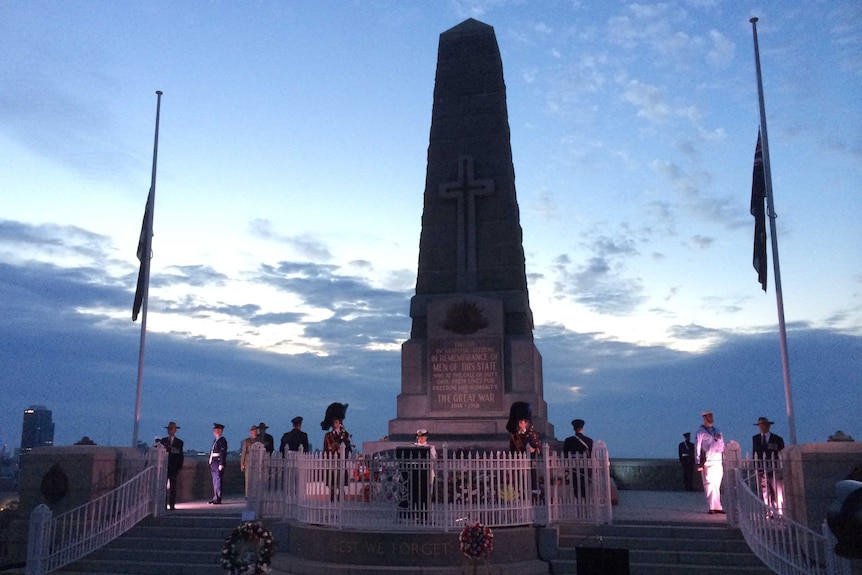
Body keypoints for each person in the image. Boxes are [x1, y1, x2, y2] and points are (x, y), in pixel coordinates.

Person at [506, 402, 541, 500]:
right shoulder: (514, 437)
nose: (521, 424)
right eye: (519, 422)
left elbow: (539, 448)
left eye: (523, 422)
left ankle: (533, 496)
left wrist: (533, 449)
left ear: (526, 423)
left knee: (531, 479)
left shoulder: (532, 435)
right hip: (519, 463)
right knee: (520, 481)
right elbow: (512, 450)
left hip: (530, 462)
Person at [695, 411, 725, 514]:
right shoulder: (700, 431)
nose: (711, 418)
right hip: (708, 459)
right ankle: (711, 506)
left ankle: (718, 506)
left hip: (718, 458)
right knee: (709, 483)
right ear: (704, 418)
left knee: (717, 484)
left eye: (711, 416)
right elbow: (697, 447)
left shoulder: (717, 430)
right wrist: (698, 462)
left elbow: (722, 444)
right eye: (708, 417)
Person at [321, 402, 352, 501]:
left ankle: (340, 495)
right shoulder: (328, 436)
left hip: (340, 461)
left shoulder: (344, 434)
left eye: (337, 422)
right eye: (334, 423)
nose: (335, 425)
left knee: (340, 481)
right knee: (331, 482)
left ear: (340, 423)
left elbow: (349, 448)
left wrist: (343, 437)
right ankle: (332, 495)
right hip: (331, 462)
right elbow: (325, 449)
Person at [752, 416, 785, 510]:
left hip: (774, 469)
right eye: (760, 425)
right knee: (765, 490)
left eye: (763, 425)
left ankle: (779, 509)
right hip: (762, 469)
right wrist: (756, 468)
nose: (761, 427)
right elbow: (754, 453)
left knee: (777, 490)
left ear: (768, 426)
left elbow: (782, 453)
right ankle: (769, 509)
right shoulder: (756, 439)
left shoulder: (777, 439)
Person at [563, 419, 593, 498]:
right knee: (585, 485)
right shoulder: (589, 441)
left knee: (576, 485)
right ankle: (584, 500)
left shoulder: (568, 440)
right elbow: (591, 455)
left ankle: (578, 500)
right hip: (585, 467)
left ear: (574, 428)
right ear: (582, 428)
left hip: (574, 467)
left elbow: (565, 454)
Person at [158, 421, 184, 510]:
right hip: (164, 467)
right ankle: (163, 504)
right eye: (169, 429)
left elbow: (180, 456)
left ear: (175, 430)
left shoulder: (179, 442)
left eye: (172, 429)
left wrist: (179, 467)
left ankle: (172, 504)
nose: (170, 431)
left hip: (173, 467)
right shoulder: (163, 441)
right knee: (163, 487)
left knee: (173, 487)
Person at [208, 423, 228, 504]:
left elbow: (222, 452)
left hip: (218, 462)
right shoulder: (216, 440)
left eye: (216, 430)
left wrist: (221, 463)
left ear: (220, 431)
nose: (214, 431)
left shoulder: (222, 440)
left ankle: (218, 498)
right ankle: (215, 497)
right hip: (214, 462)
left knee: (218, 480)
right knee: (215, 480)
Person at [240, 424, 259, 497]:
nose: (255, 432)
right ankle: (247, 495)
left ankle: (256, 494)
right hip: (248, 462)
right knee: (248, 479)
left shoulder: (259, 440)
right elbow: (244, 452)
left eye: (255, 431)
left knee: (257, 479)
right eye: (253, 431)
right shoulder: (247, 441)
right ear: (251, 432)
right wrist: (242, 464)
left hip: (257, 462)